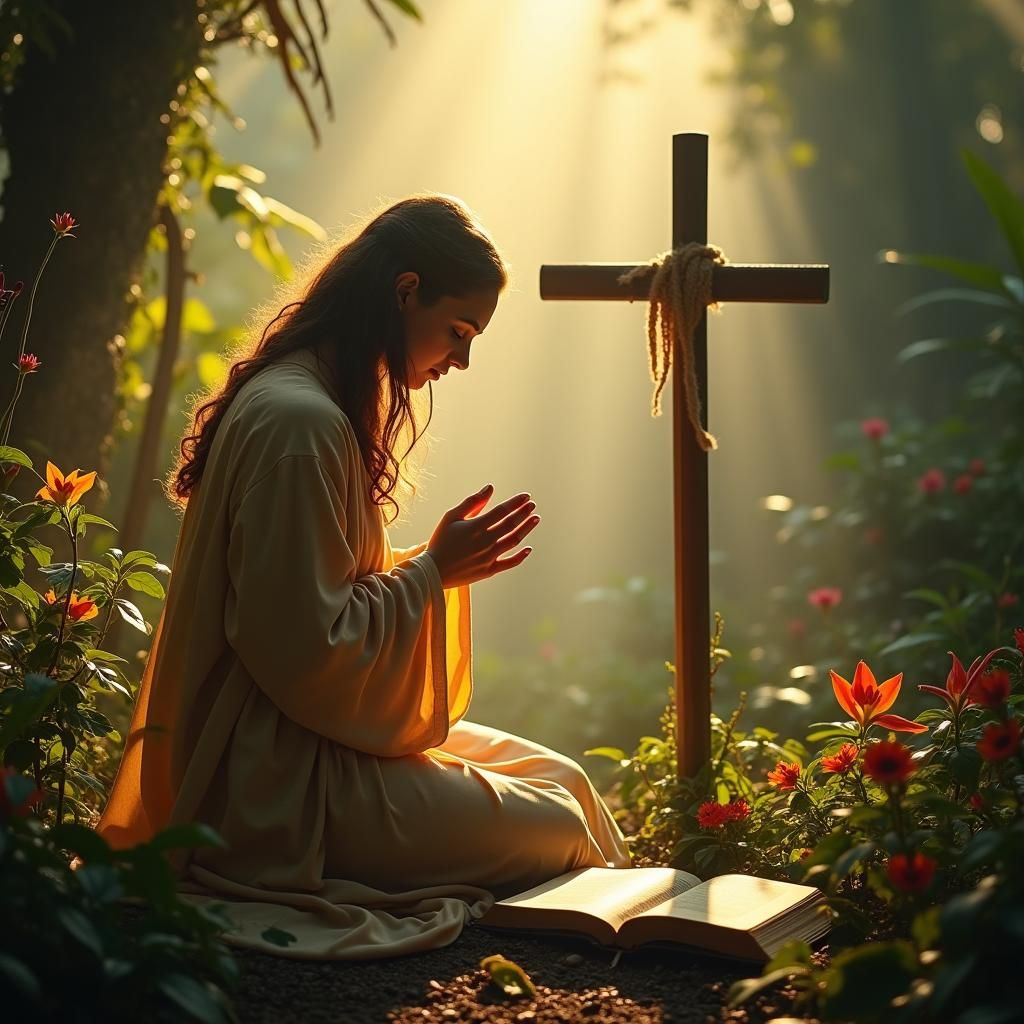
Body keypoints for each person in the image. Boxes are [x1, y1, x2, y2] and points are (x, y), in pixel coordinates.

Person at [95, 193, 631, 960]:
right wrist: (435, 572)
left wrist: (433, 570)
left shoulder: (310, 401)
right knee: (560, 827)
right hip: (270, 785)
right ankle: (635, 947)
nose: (462, 360)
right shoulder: (300, 422)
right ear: (404, 290)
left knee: (569, 780)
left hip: (306, 738)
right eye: (459, 331)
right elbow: (304, 650)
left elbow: (312, 604)